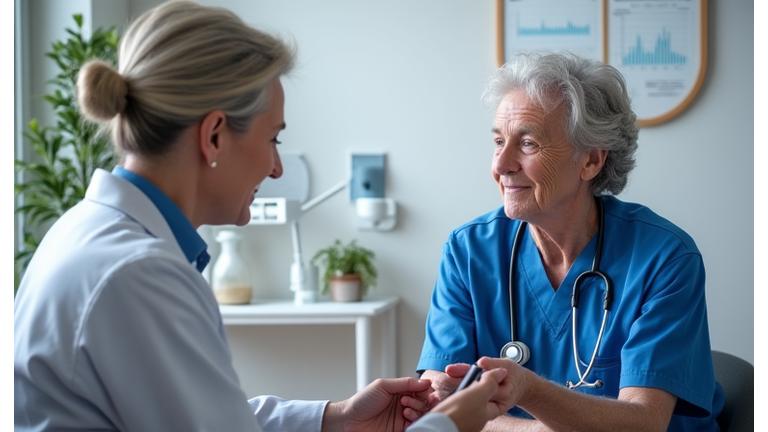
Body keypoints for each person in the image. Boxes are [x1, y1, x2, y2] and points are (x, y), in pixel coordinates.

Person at [13, 2, 515, 431]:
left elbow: (208, 417)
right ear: (213, 136)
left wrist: (335, 418)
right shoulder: (139, 275)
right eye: (273, 138)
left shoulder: (92, 236)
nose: (276, 168)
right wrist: (448, 424)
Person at [416, 52, 724, 431]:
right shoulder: (469, 251)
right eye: (499, 141)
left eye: (527, 144)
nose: (501, 164)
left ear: (591, 161)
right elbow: (437, 402)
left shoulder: (664, 258)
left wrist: (525, 392)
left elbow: (643, 423)